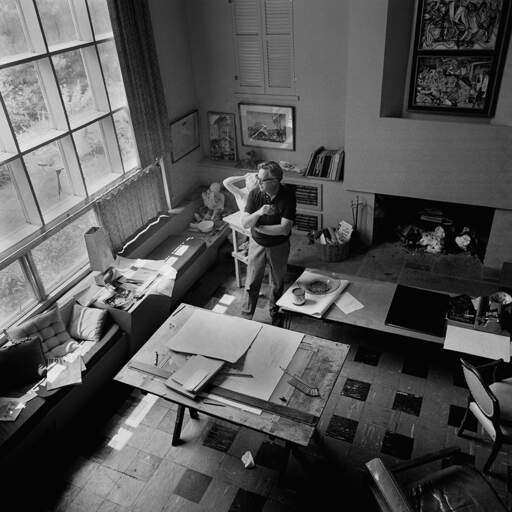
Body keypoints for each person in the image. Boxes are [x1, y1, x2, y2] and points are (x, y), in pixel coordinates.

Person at [240, 161, 296, 325]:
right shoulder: (255, 194)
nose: (258, 182)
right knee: (252, 280)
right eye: (258, 177)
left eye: (262, 179)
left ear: (275, 181)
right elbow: (245, 223)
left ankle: (274, 312)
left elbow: (284, 229)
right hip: (257, 244)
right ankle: (246, 315)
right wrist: (260, 211)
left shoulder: (288, 196)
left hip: (279, 246)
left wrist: (259, 227)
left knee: (277, 282)